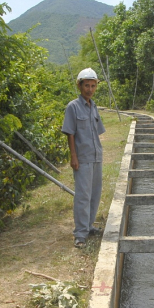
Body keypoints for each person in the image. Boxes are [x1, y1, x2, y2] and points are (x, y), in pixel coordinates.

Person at [61, 68, 106, 248]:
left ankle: (88, 226)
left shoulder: (93, 106)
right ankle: (80, 234)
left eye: (93, 86)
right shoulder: (73, 107)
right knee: (83, 195)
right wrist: (74, 156)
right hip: (82, 158)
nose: (90, 89)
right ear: (80, 86)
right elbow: (70, 133)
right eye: (86, 85)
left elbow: (98, 131)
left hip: (96, 157)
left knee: (95, 194)